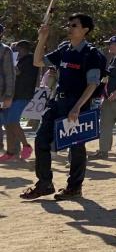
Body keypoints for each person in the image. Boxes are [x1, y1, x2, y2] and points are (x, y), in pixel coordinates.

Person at [21, 14, 105, 201]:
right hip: (56, 102)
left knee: (76, 146)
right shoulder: (63, 49)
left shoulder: (91, 54)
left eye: (74, 25)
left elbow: (92, 84)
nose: (69, 27)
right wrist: (42, 38)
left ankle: (74, 187)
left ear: (85, 30)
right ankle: (44, 183)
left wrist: (76, 108)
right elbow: (38, 61)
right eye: (68, 24)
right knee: (41, 140)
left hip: (76, 104)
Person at [0, 39, 38, 162]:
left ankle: (26, 146)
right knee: (8, 124)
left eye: (16, 49)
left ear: (23, 49)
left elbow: (16, 72)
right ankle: (10, 152)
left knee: (13, 122)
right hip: (11, 95)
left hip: (22, 96)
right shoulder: (21, 60)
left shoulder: (30, 60)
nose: (15, 51)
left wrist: (10, 64)